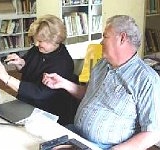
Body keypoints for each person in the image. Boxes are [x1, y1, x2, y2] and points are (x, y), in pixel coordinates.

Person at [42, 15, 160, 149]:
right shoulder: (102, 65)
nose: (101, 42)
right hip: (77, 135)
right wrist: (63, 83)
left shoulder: (146, 79)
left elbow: (152, 133)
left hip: (105, 147)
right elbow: (89, 94)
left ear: (122, 38)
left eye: (105, 36)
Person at [0, 14, 78, 125]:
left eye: (40, 41)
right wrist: (20, 63)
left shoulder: (63, 63)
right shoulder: (38, 49)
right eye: (36, 40)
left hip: (47, 113)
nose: (36, 44)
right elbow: (29, 66)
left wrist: (7, 78)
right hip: (27, 103)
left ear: (55, 40)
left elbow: (39, 93)